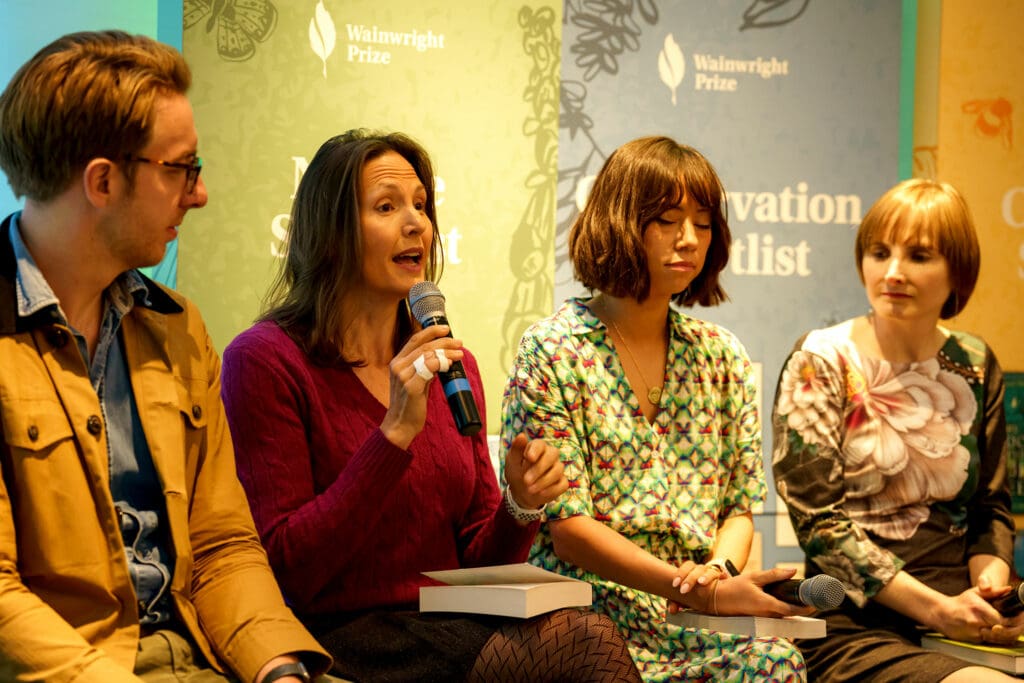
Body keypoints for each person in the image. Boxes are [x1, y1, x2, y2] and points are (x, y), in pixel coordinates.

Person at [219, 128, 642, 682]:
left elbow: (475, 560)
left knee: (582, 626)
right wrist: (392, 435)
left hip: (445, 624)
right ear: (331, 234)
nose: (416, 223)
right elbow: (287, 569)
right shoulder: (266, 360)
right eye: (387, 207)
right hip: (338, 633)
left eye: (421, 205)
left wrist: (519, 503)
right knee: (581, 641)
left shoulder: (449, 362)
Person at [0, 30, 331, 682]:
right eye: (179, 167)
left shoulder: (178, 328)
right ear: (101, 180)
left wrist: (279, 669)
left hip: (205, 658)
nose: (198, 193)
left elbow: (221, 544)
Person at [500, 135, 808, 681]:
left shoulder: (722, 356)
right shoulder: (553, 348)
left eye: (704, 223)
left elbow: (739, 508)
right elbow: (568, 528)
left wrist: (716, 573)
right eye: (668, 219)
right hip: (584, 623)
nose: (689, 239)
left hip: (692, 617)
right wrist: (693, 588)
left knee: (777, 662)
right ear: (620, 221)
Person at [771, 178, 1023, 682]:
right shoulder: (821, 359)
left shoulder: (974, 362)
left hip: (961, 619)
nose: (892, 272)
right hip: (854, 623)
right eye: (879, 252)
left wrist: (991, 583)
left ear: (958, 270)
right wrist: (936, 610)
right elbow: (821, 529)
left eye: (919, 256)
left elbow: (990, 506)